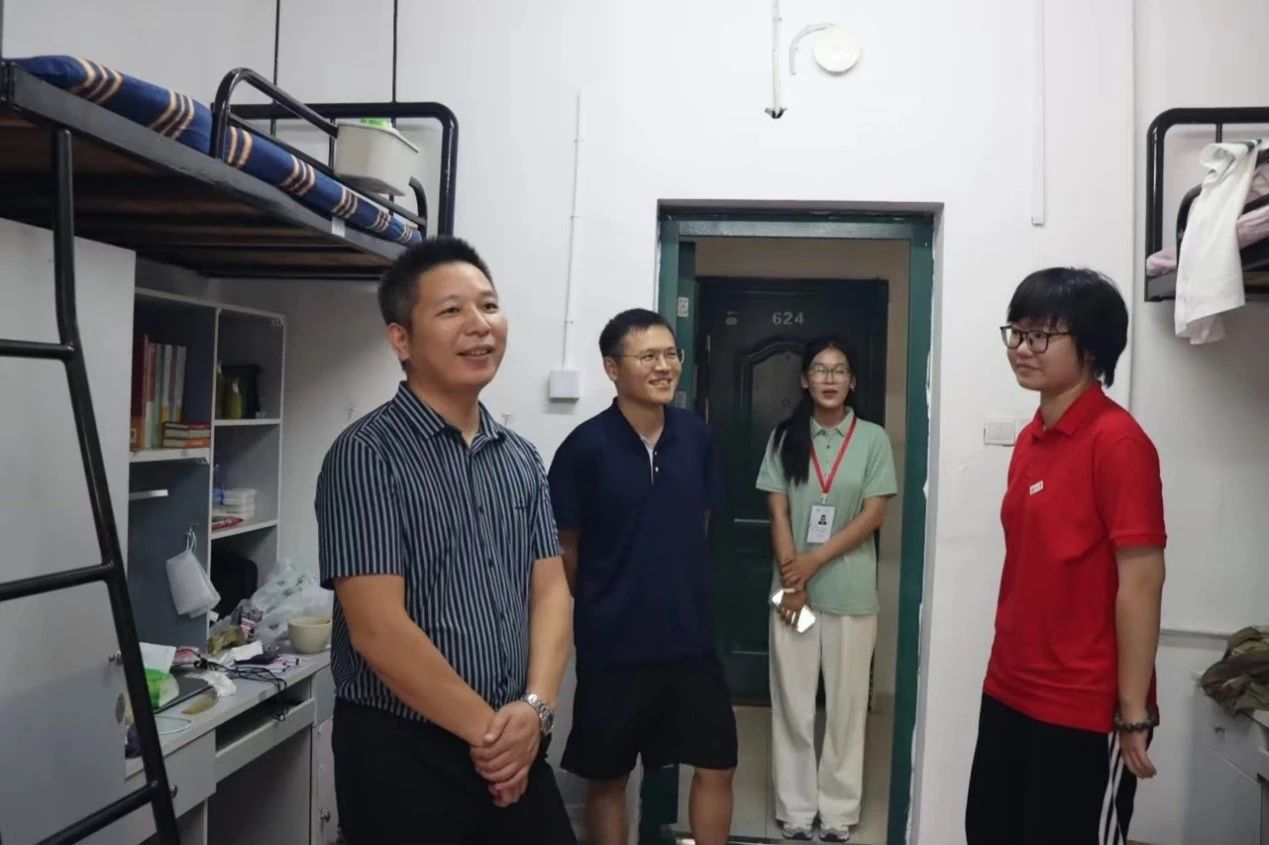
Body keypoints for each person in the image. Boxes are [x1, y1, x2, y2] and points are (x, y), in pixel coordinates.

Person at [315, 236, 576, 844]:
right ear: (401, 339)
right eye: (452, 310)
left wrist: (536, 710)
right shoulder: (366, 455)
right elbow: (379, 630)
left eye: (489, 305)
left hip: (515, 735)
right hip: (404, 751)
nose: (479, 325)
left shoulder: (520, 457)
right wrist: (496, 740)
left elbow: (551, 592)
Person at [966, 267, 1167, 845]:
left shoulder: (1118, 441)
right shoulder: (1032, 437)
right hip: (1009, 685)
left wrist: (1132, 710)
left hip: (1083, 704)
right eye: (1016, 332)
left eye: (1041, 335)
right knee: (989, 831)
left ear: (1092, 348)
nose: (1021, 348)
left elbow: (1142, 581)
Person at [547, 308, 737, 845]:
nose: (664, 366)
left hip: (690, 640)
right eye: (648, 356)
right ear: (613, 368)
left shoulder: (696, 437)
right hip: (614, 646)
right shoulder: (585, 447)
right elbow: (566, 548)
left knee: (718, 762)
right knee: (609, 776)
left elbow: (701, 521)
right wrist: (606, 602)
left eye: (671, 354)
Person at [755, 336, 897, 843]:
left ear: (852, 381)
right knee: (792, 703)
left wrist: (813, 561)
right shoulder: (784, 437)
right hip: (792, 592)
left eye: (839, 370)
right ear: (804, 380)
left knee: (846, 708)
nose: (830, 378)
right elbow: (777, 512)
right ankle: (795, 809)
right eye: (820, 369)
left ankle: (838, 811)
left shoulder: (873, 439)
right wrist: (793, 581)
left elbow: (874, 514)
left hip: (850, 594)